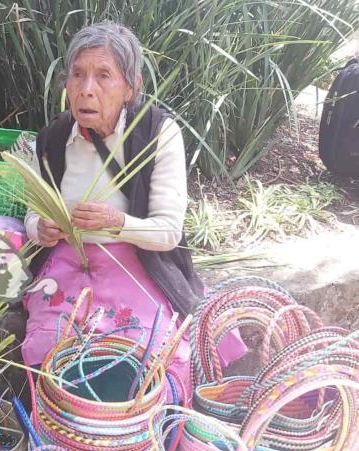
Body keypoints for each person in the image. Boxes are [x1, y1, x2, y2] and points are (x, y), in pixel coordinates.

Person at [22, 22, 244, 390]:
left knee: (147, 349)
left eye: (103, 76)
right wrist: (39, 228)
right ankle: (63, 423)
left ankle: (139, 430)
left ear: (131, 86)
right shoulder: (54, 137)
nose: (86, 89)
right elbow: (32, 213)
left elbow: (169, 232)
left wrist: (116, 222)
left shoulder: (157, 133)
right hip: (67, 264)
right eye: (77, 75)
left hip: (137, 263)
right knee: (51, 344)